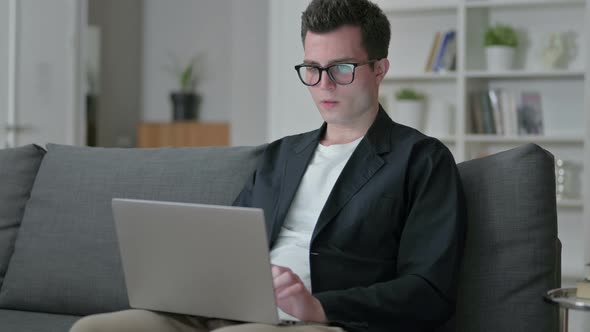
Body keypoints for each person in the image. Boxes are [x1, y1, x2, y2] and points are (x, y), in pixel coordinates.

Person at [69, 0, 465, 331]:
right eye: (312, 68)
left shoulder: (420, 160)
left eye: (341, 69)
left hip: (322, 322)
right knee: (93, 329)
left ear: (379, 69)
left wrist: (321, 308)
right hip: (225, 311)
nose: (323, 85)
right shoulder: (280, 156)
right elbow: (227, 245)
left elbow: (429, 290)